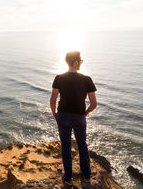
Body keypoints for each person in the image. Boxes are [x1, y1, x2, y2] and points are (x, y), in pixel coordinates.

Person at [50, 51, 97, 185]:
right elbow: (94, 104)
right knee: (82, 145)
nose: (80, 63)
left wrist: (54, 114)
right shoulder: (86, 79)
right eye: (80, 61)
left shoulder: (59, 78)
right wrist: (85, 113)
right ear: (76, 62)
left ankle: (67, 177)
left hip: (63, 116)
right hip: (79, 117)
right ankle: (86, 175)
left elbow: (52, 101)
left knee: (65, 145)